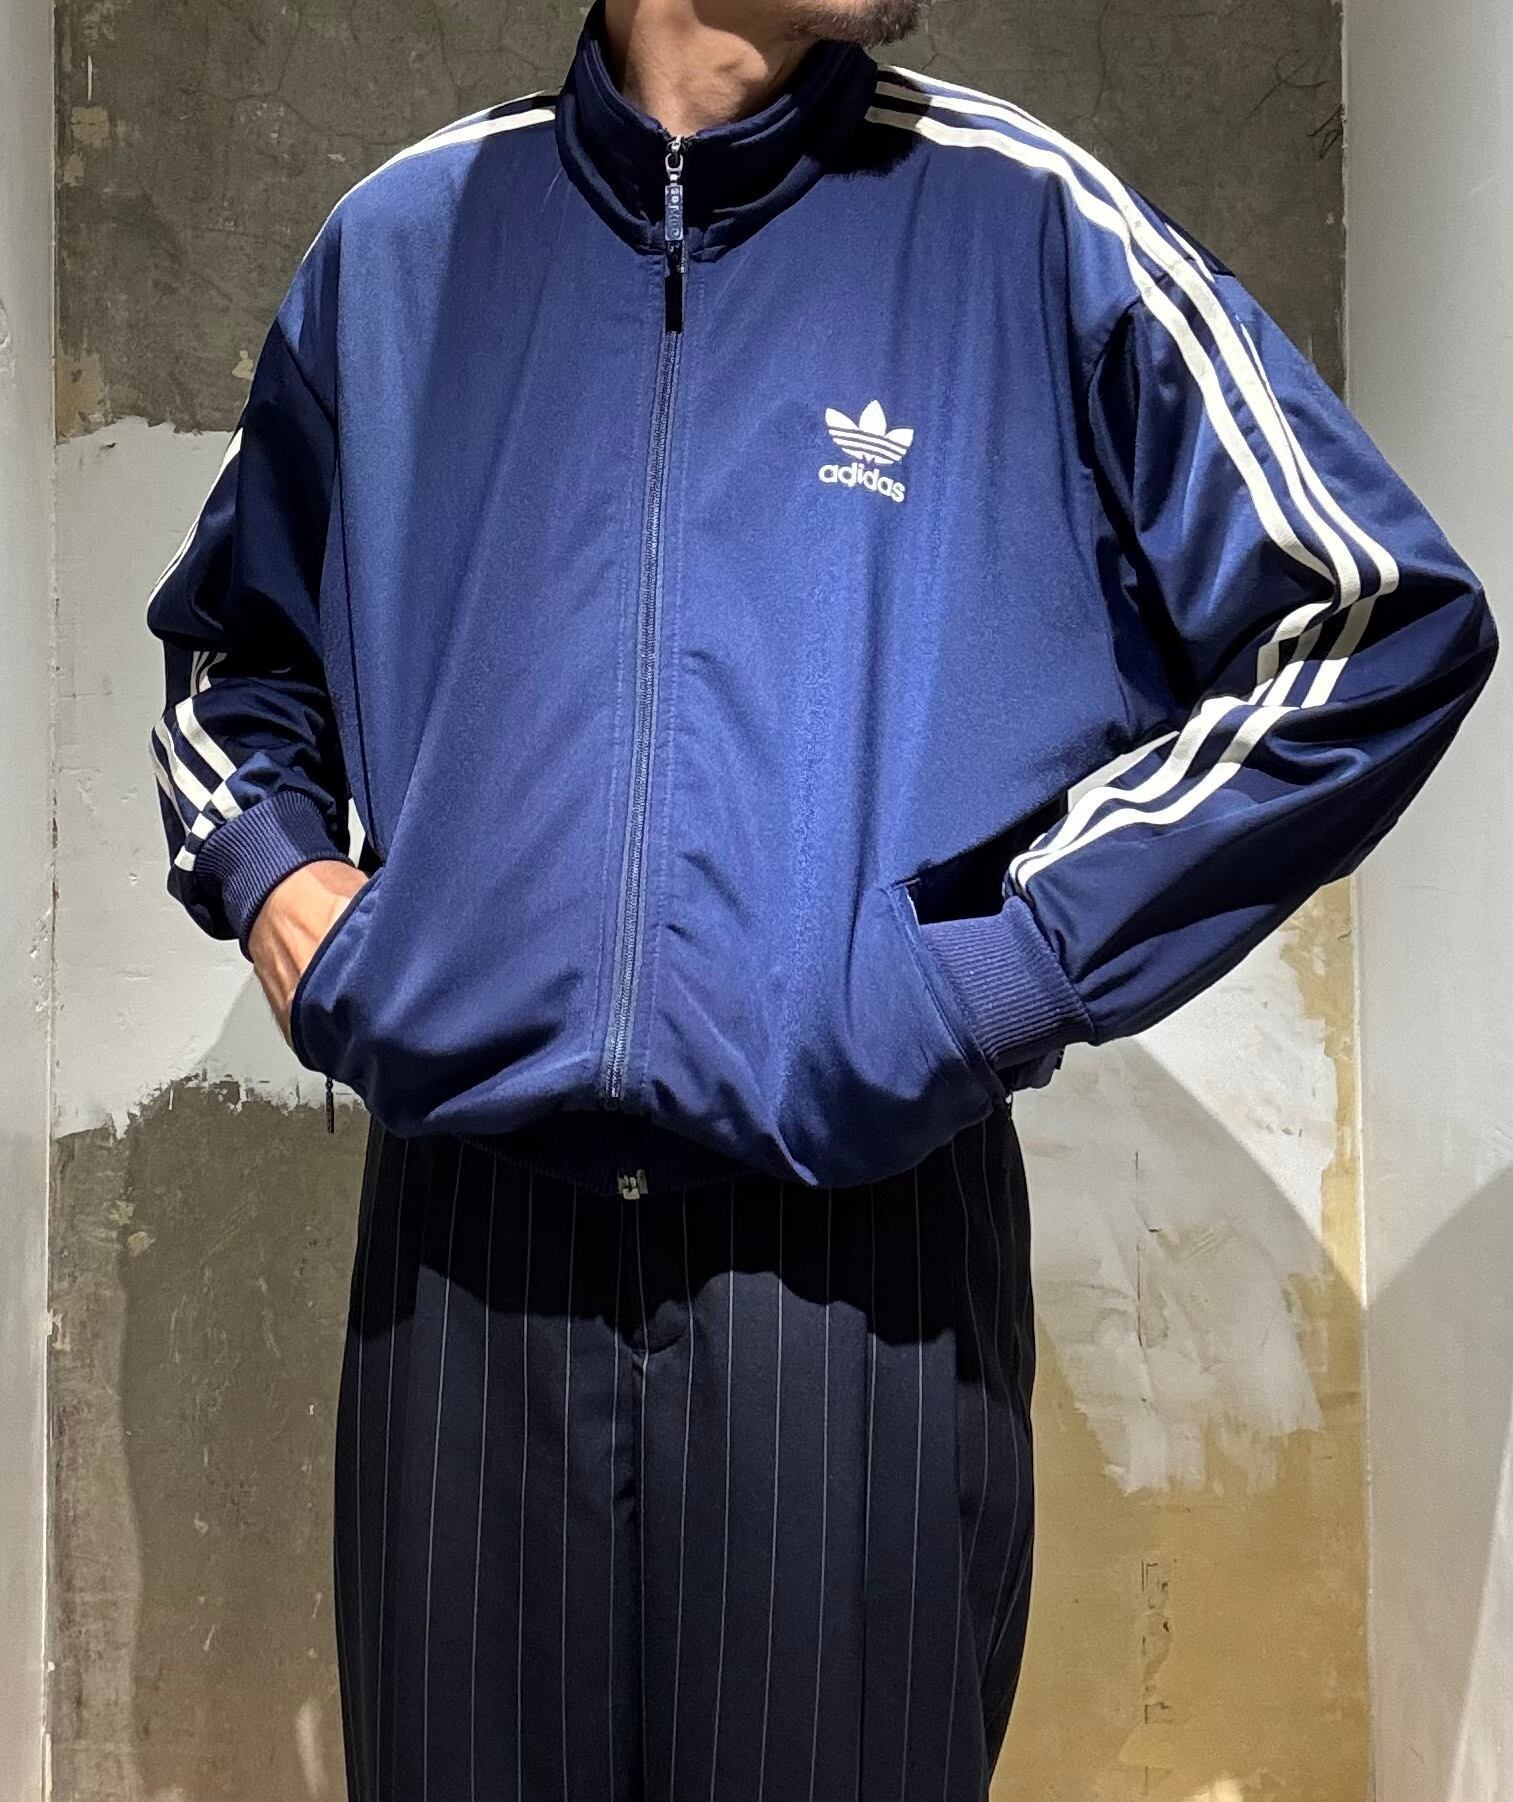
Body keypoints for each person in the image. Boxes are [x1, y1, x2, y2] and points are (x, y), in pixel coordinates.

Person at [144, 0, 1498, 1791]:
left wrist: (1004, 968)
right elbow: (234, 658)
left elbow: (1372, 619)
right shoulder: (408, 241)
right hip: (468, 1259)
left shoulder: (1025, 225)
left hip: (854, 1266)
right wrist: (276, 879)